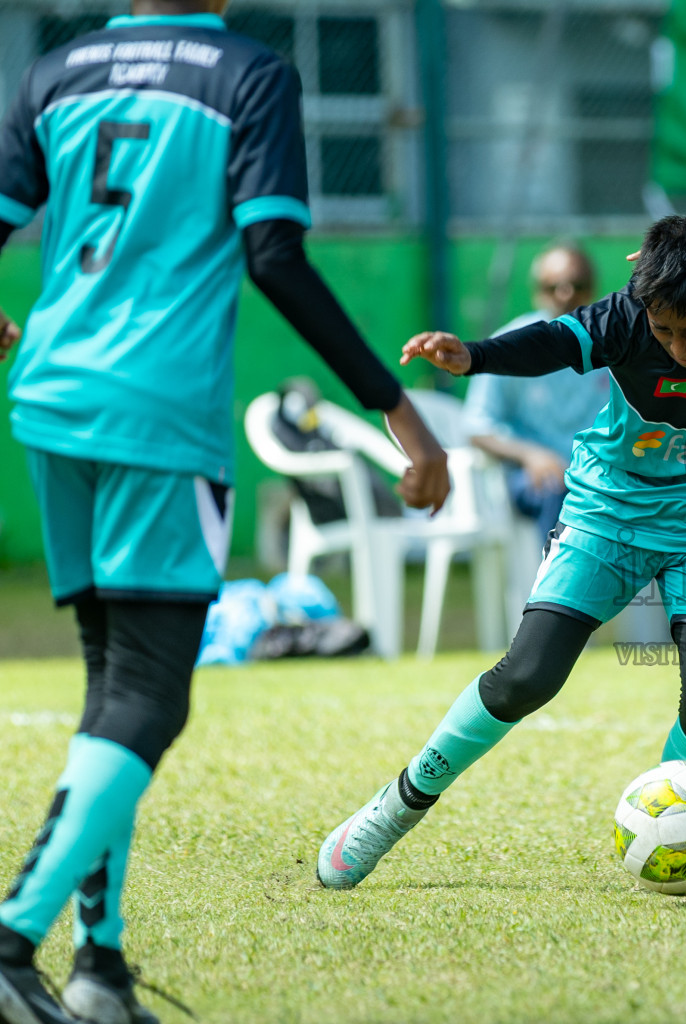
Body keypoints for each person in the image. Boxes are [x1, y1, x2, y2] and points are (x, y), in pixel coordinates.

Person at [0, 2, 450, 1021]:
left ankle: (100, 967)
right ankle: (13, 936)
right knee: (154, 698)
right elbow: (275, 255)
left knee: (111, 693)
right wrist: (397, 412)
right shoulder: (248, 74)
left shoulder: (57, 70)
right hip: (155, 413)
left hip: (51, 399)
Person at [316, 214, 686, 890]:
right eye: (665, 332)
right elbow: (552, 342)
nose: (679, 346)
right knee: (527, 675)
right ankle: (396, 806)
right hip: (608, 514)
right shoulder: (630, 316)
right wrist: (475, 355)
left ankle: (678, 828)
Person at [465, 242, 611, 540]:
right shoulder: (513, 343)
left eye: (577, 284)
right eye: (552, 286)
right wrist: (532, 455)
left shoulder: (612, 341)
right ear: (537, 292)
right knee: (554, 487)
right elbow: (477, 426)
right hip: (533, 476)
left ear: (592, 288)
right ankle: (553, 583)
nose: (565, 294)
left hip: (596, 474)